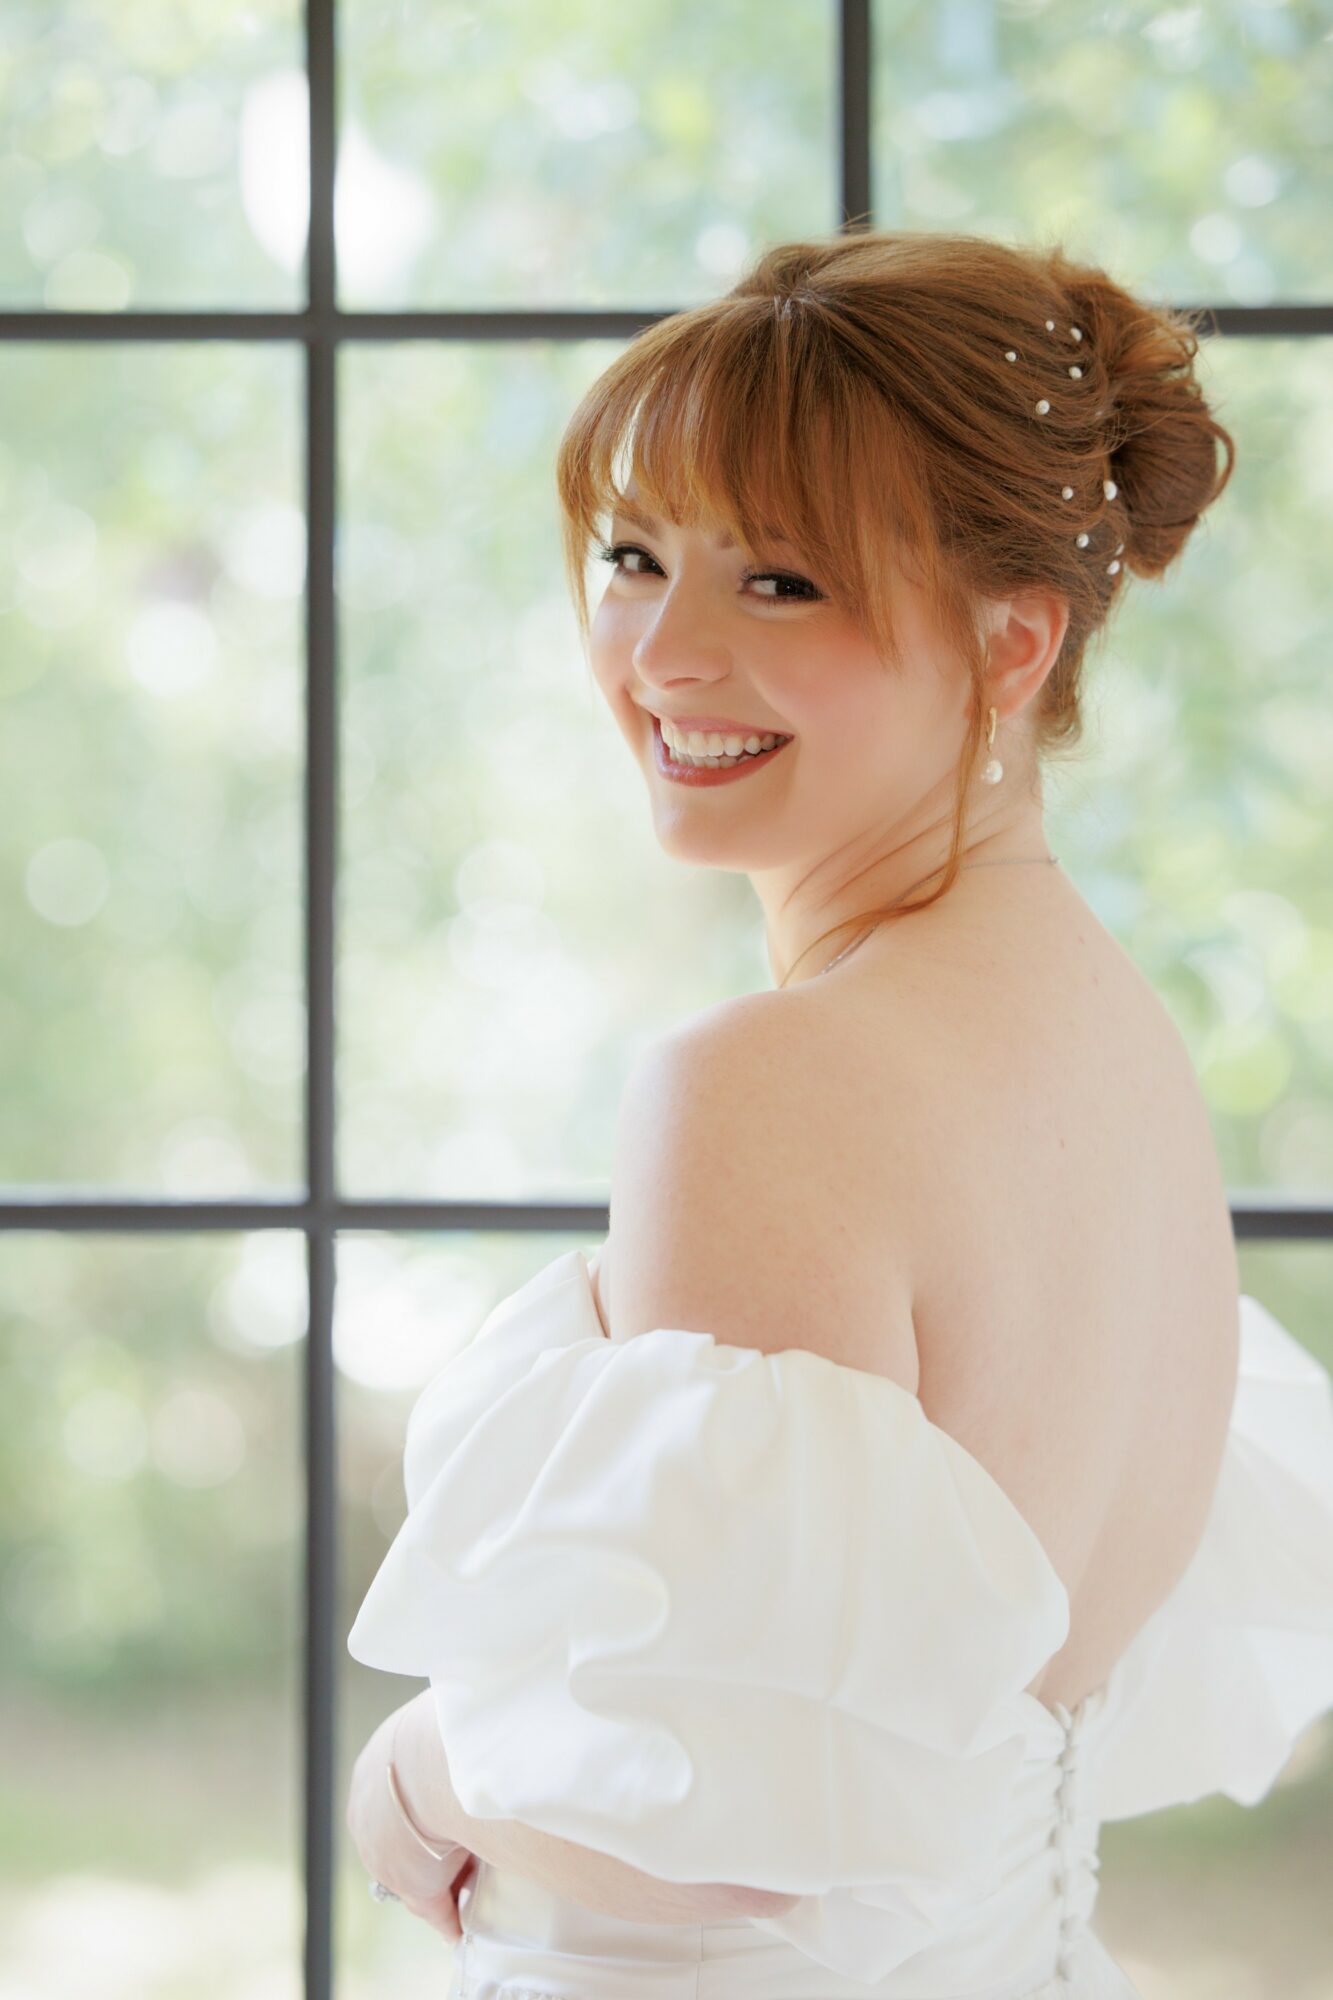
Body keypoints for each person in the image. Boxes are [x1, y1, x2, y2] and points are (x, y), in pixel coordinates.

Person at [344, 228, 1333, 1998]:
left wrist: (431, 1763)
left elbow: (708, 1841)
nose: (659, 652)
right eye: (632, 556)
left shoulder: (764, 1086)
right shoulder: (1118, 1044)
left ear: (1011, 642)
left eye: (777, 583)